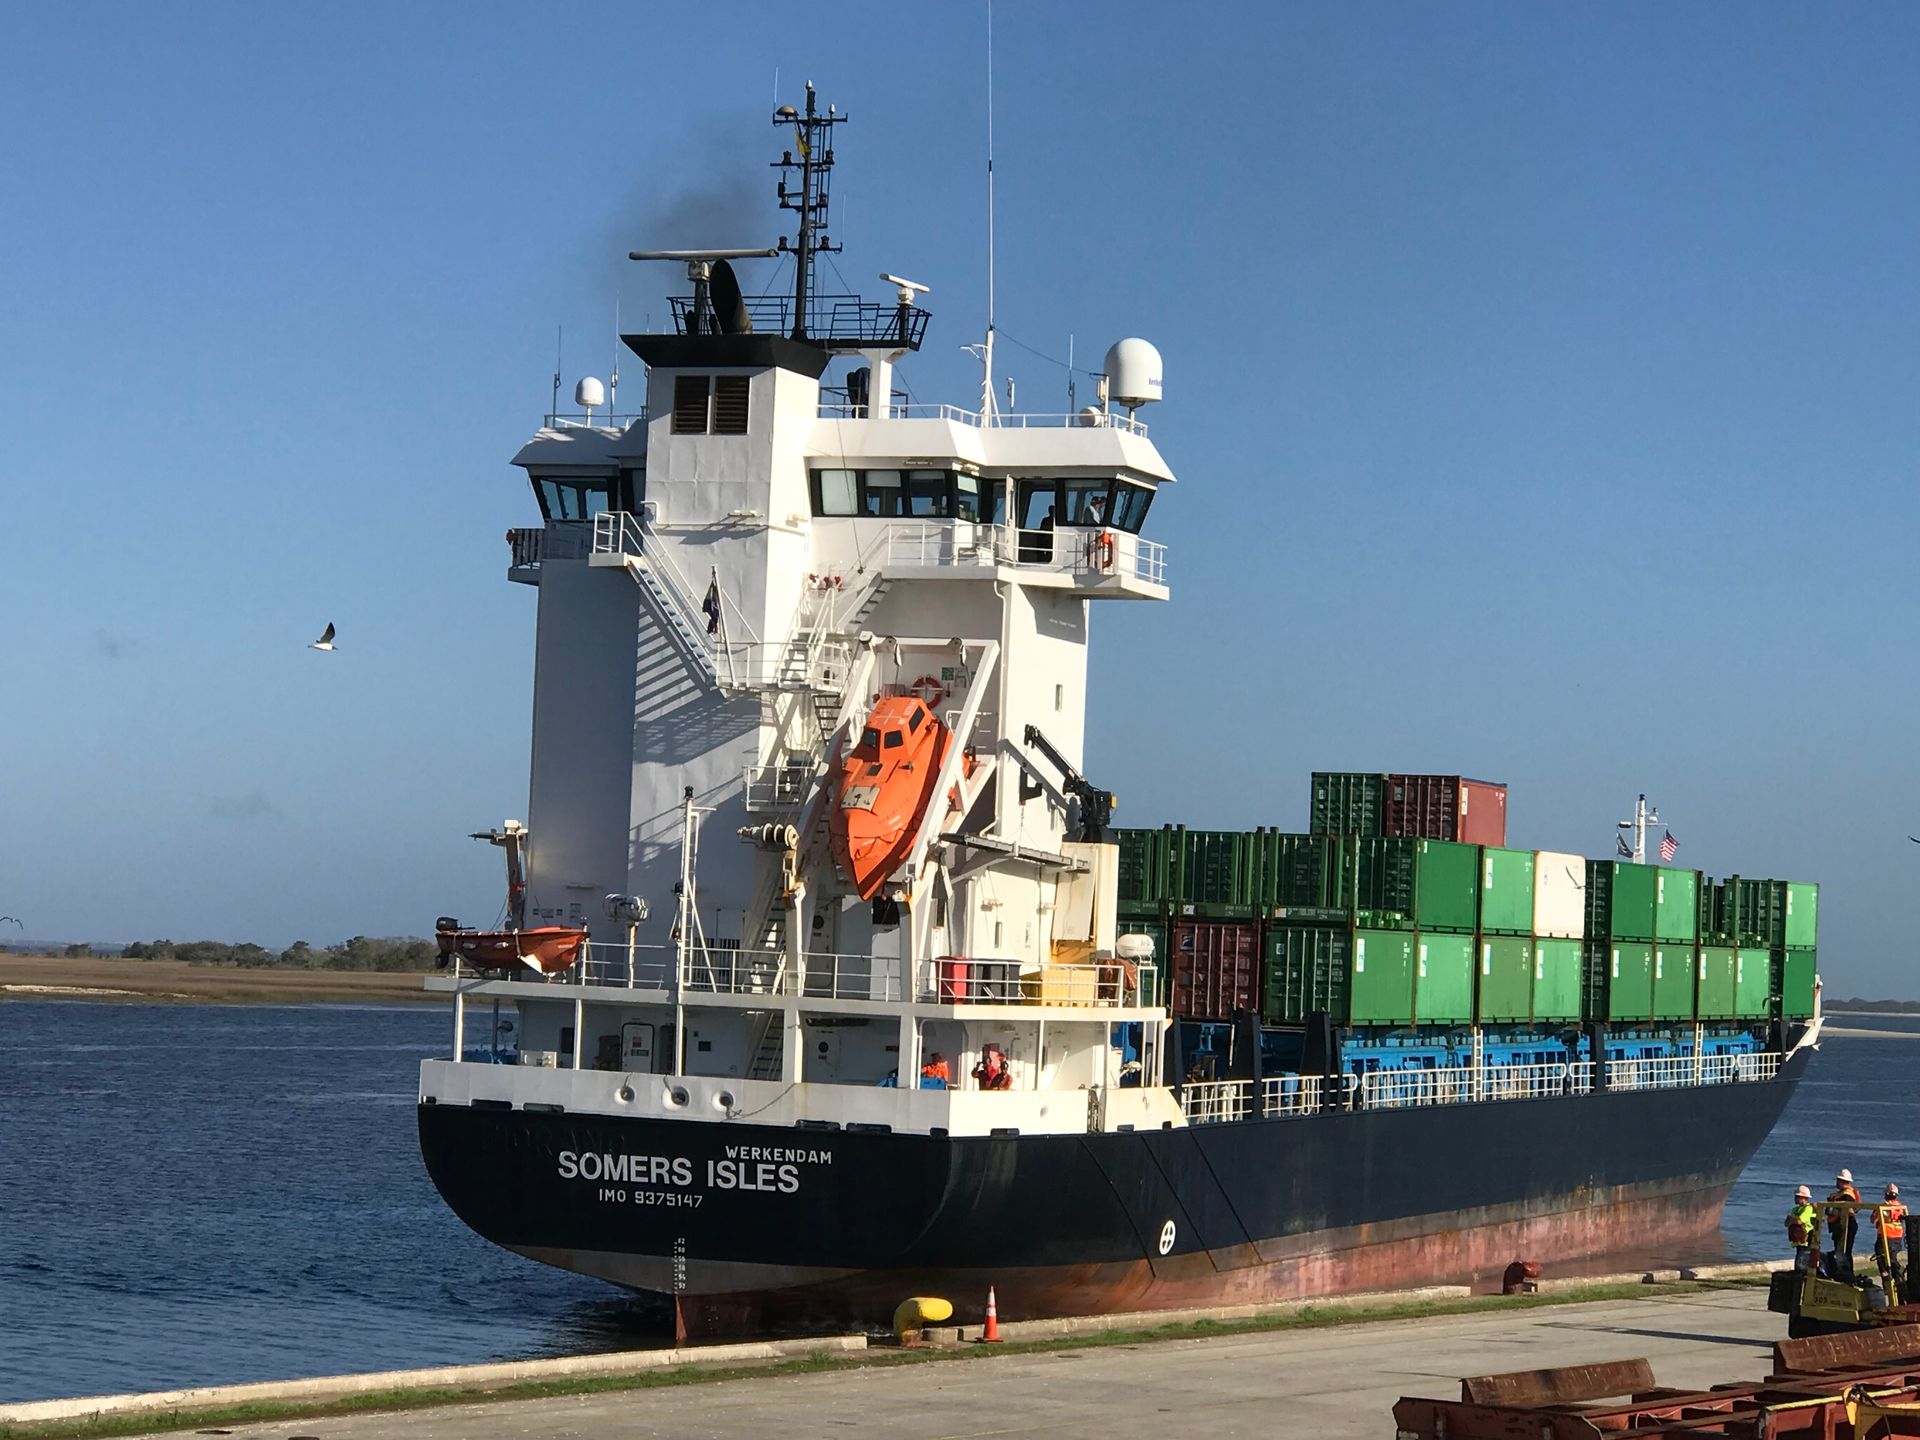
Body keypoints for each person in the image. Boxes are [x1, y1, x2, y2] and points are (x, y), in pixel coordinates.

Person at [1828, 1168, 1862, 1280]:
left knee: (1844, 1252)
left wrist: (1832, 1209)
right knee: (1842, 1251)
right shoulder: (1840, 1194)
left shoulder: (1847, 1195)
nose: (1836, 1183)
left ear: (1843, 1181)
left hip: (1845, 1224)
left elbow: (1850, 1210)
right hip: (1841, 1224)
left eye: (1838, 1180)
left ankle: (1847, 1275)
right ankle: (1843, 1273)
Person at [1877, 1183, 1909, 1301]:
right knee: (1893, 1260)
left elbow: (1874, 1219)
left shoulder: (1883, 1206)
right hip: (1897, 1237)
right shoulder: (1900, 1206)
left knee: (1881, 1260)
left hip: (1885, 1236)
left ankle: (1887, 1282)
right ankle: (1900, 1282)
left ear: (1886, 1194)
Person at [1786, 1185, 1820, 1274]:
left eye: (1797, 1197)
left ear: (1803, 1198)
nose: (1795, 1199)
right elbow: (1786, 1223)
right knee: (1799, 1257)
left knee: (1803, 1259)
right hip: (1798, 1239)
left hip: (1807, 1239)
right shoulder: (1795, 1209)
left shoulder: (1808, 1208)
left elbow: (1799, 1221)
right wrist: (1792, 1220)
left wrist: (1792, 1219)